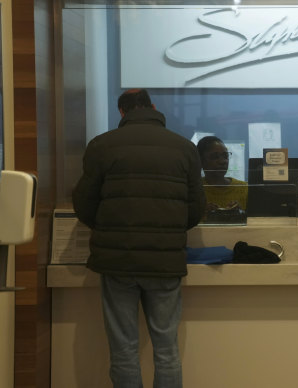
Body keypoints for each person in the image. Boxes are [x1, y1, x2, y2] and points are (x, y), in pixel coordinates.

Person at [72, 89, 206, 388]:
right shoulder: (184, 148)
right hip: (164, 261)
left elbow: (83, 204)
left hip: (117, 261)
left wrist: (110, 229)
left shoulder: (101, 145)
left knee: (123, 351)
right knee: (167, 350)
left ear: (122, 112)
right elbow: (197, 209)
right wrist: (169, 230)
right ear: (153, 107)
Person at [197, 136, 248, 218]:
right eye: (215, 157)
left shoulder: (244, 188)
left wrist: (241, 213)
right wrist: (200, 214)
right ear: (201, 161)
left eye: (225, 156)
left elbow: (255, 222)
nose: (222, 161)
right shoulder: (195, 189)